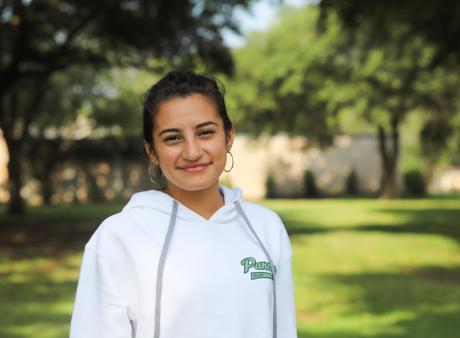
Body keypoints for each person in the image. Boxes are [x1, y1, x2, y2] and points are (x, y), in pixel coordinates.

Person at [69, 70, 297, 338]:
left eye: (206, 133)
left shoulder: (267, 228)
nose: (192, 152)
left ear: (229, 136)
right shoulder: (118, 237)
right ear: (151, 150)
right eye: (172, 138)